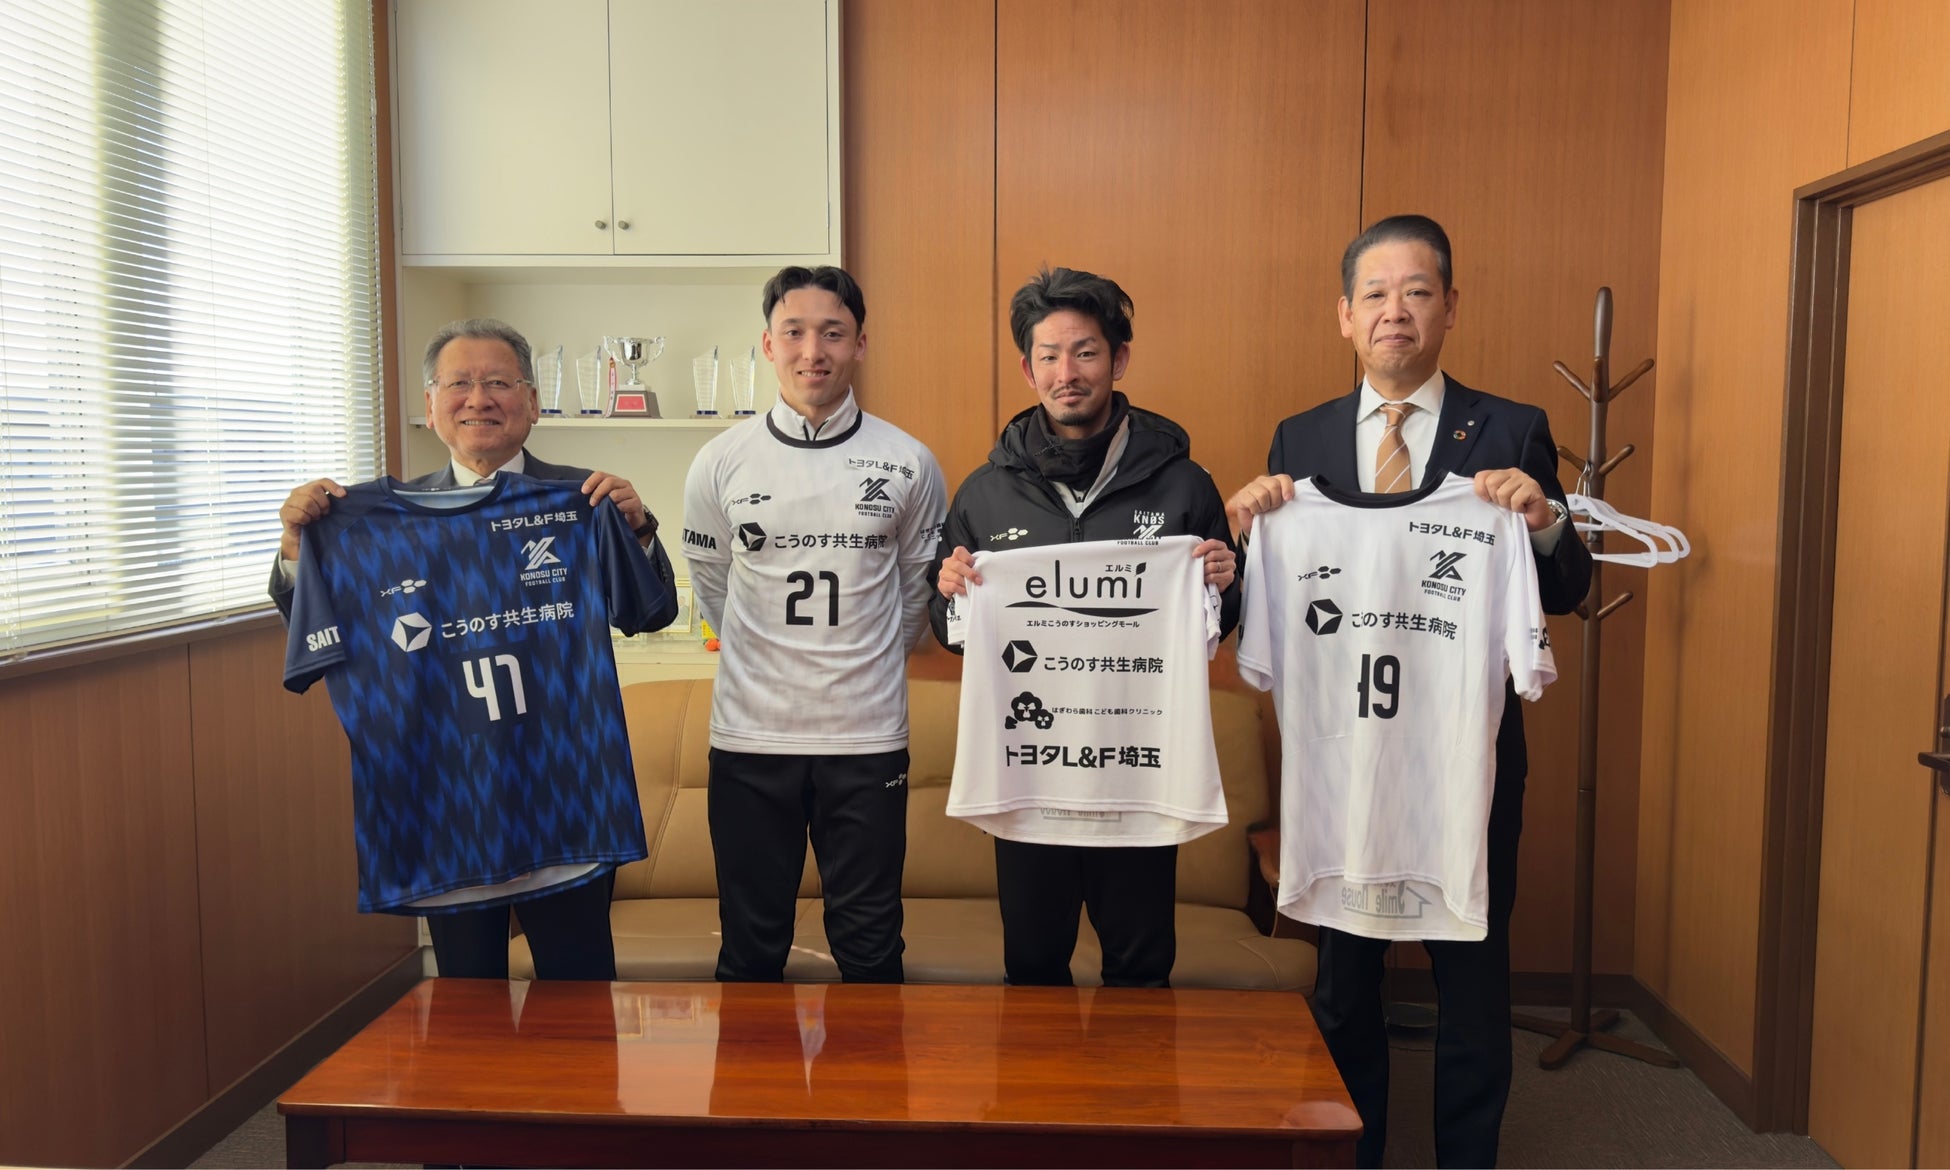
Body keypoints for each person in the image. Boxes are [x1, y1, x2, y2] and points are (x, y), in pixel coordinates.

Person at [1227, 215, 1592, 1167]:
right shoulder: (1301, 436)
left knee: (1471, 976)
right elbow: (1263, 596)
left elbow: (1563, 589)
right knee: (1345, 983)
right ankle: (1356, 1155)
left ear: (1450, 308)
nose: (1397, 312)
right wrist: (1243, 532)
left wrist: (1543, 523)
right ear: (1345, 315)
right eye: (1377, 295)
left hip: (1463, 762)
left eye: (1418, 292)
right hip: (1343, 763)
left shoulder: (1512, 428)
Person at [271, 316, 678, 981]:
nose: (479, 399)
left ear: (533, 402)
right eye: (458, 384)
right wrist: (299, 552)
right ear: (431, 404)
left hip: (565, 793)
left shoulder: (581, 500)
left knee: (580, 1000)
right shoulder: (369, 527)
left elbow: (650, 612)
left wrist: (636, 531)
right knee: (468, 1007)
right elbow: (320, 633)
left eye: (499, 383)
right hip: (448, 799)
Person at [930, 265, 1239, 988]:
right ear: (1028, 368)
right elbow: (952, 631)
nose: (1066, 373)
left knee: (1141, 972)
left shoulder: (1184, 485)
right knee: (1033, 969)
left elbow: (1220, 624)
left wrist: (1228, 579)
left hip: (1137, 773)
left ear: (1119, 359)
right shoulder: (984, 493)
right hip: (1030, 775)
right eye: (1049, 356)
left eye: (1086, 352)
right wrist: (950, 592)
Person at [682, 265, 946, 984]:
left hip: (866, 738)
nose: (812, 351)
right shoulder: (720, 460)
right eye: (793, 333)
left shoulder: (908, 461)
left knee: (870, 947)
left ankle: (870, 1069)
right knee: (749, 948)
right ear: (768, 345)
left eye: (832, 333)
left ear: (860, 343)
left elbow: (914, 599)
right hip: (749, 737)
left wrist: (861, 666)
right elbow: (714, 589)